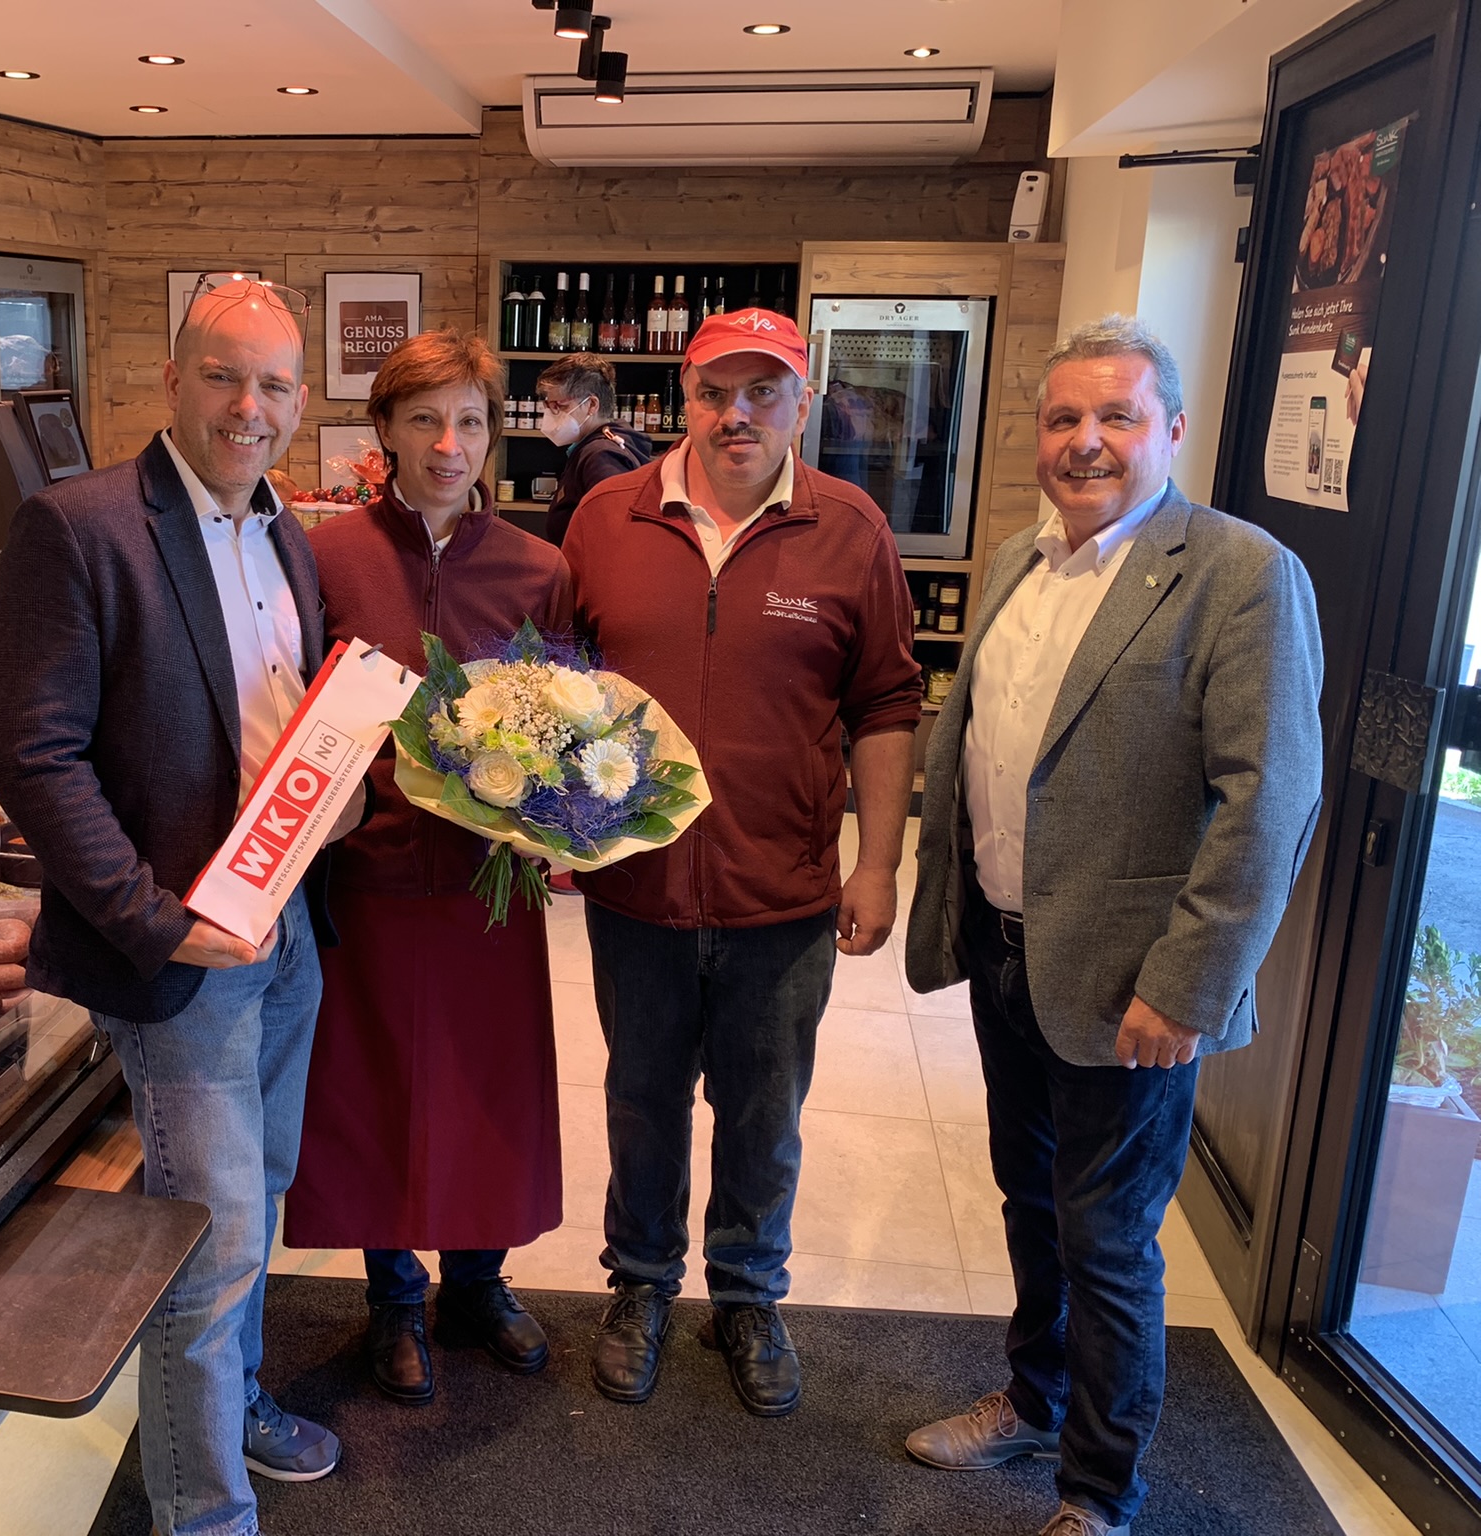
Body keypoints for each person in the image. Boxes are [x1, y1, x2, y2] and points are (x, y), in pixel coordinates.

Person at [903, 315, 1324, 1536]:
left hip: (1131, 982)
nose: (1084, 443)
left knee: (1106, 1240)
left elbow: (1269, 800)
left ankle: (1099, 1490)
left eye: (1116, 417)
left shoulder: (1241, 573)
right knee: (1027, 1203)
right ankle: (1033, 1401)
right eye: (1062, 420)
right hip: (1004, 947)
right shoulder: (1010, 564)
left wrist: (1187, 988)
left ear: (1171, 430)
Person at [0, 275, 343, 1536]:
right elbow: (33, 756)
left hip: (286, 932)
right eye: (224, 377)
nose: (249, 407)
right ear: (172, 381)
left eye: (274, 386)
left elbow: (280, 725)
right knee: (207, 1246)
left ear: (300, 404)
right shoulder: (78, 524)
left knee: (262, 1199)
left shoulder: (281, 532)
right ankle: (203, 1514)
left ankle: (233, 1407)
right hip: (182, 962)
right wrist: (152, 919)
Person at [561, 308, 924, 1416]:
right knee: (640, 1099)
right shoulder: (603, 519)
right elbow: (553, 689)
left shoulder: (850, 530)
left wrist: (875, 866)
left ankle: (749, 1294)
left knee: (764, 1110)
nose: (738, 414)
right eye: (717, 390)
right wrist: (549, 827)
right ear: (682, 397)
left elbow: (885, 703)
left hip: (782, 896)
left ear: (800, 405)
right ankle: (639, 1285)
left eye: (763, 392)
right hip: (636, 890)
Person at [286, 328, 570, 1405]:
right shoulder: (326, 559)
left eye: (470, 421)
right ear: (385, 434)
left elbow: (565, 726)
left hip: (485, 893)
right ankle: (392, 1298)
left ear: (495, 434)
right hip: (366, 880)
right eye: (423, 420)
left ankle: (477, 1285)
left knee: (482, 1094)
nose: (449, 445)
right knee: (372, 1097)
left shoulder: (539, 568)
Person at [537, 354, 652, 546]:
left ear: (591, 405)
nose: (551, 414)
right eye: (548, 406)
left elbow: (615, 536)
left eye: (559, 406)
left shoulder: (601, 457)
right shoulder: (594, 447)